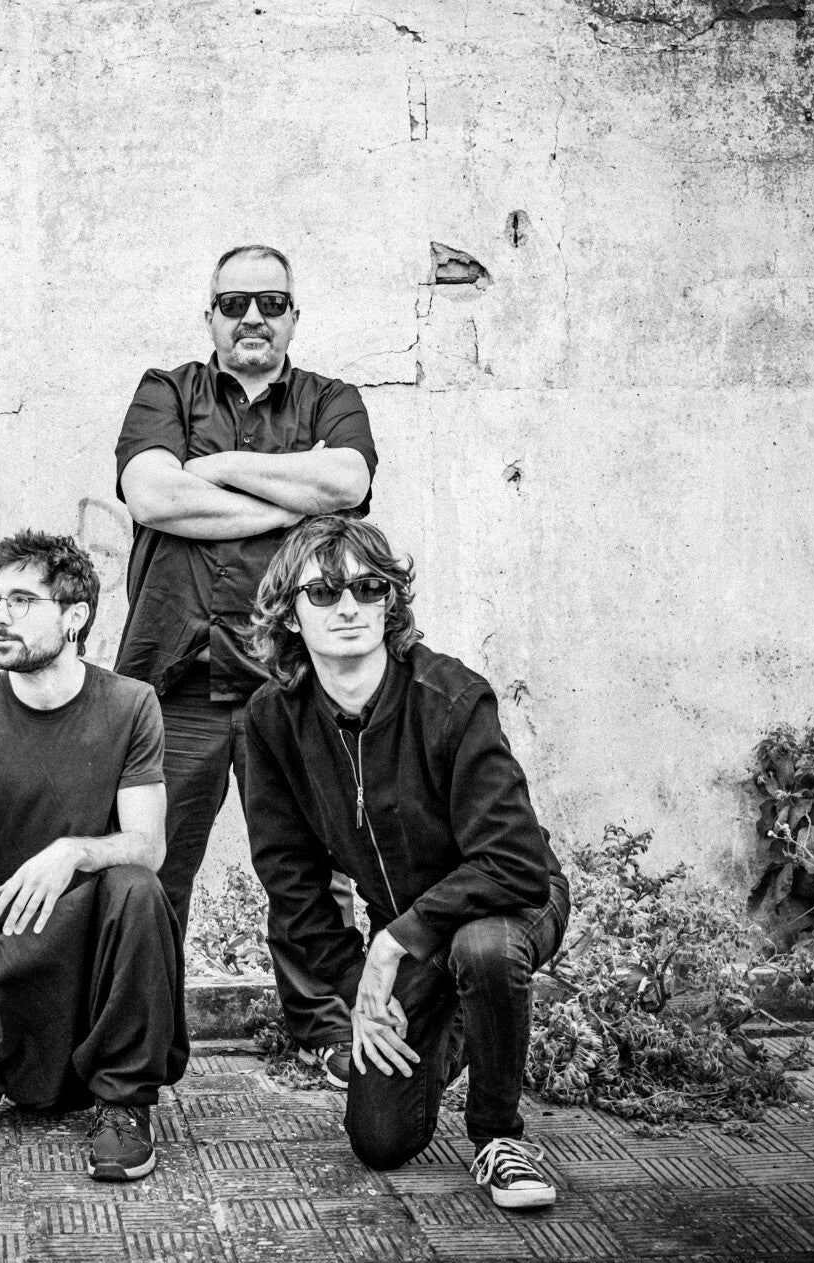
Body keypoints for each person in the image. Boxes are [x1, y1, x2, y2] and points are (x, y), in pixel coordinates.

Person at [242, 515, 571, 1209]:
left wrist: (391, 945)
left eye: (368, 588)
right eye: (324, 592)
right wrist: (359, 985)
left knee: (483, 950)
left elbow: (513, 861)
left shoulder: (451, 698)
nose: (348, 606)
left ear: (389, 601)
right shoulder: (272, 721)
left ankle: (498, 1136)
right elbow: (291, 880)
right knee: (380, 1138)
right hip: (416, 931)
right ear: (290, 615)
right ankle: (460, 1013)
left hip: (512, 900)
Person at [113, 244, 377, 1083]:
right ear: (211, 316)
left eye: (270, 302)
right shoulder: (165, 390)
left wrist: (219, 469)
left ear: (293, 315)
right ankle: (146, 1037)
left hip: (289, 679)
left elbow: (345, 482)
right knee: (152, 867)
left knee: (311, 866)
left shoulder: (331, 399)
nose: (252, 317)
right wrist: (287, 506)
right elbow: (152, 494)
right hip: (178, 678)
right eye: (234, 304)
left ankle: (325, 1029)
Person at [0, 531, 187, 1182]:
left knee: (135, 885)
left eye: (22, 600)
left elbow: (148, 845)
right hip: (16, 932)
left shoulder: (131, 704)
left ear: (74, 616)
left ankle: (124, 1100)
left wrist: (73, 852)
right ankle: (57, 1063)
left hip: (101, 930)